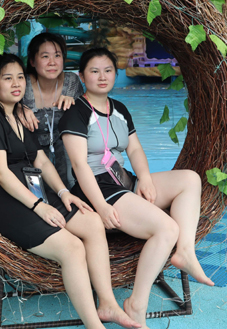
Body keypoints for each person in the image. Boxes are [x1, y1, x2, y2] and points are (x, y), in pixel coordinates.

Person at [0, 53, 139, 329]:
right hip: (6, 203)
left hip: (35, 195)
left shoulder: (18, 117)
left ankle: (107, 303)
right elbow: (0, 173)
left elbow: (42, 161)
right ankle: (94, 325)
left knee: (93, 222)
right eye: (7, 78)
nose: (16, 83)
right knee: (72, 248)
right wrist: (40, 207)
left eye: (20, 77)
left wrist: (62, 193)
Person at [60, 48, 214, 329]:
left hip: (124, 181)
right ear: (82, 76)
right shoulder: (76, 112)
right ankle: (136, 303)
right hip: (99, 188)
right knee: (166, 228)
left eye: (108, 70)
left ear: (116, 74)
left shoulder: (119, 108)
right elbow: (80, 166)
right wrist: (101, 206)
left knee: (190, 179)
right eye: (94, 71)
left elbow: (134, 149)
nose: (102, 76)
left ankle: (185, 252)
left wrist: (144, 178)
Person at [23, 32, 84, 188]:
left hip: (66, 155)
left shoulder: (71, 82)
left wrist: (75, 107)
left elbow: (86, 122)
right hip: (32, 156)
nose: (52, 62)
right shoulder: (23, 84)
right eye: (45, 56)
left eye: (57, 56)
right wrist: (18, 108)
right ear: (32, 61)